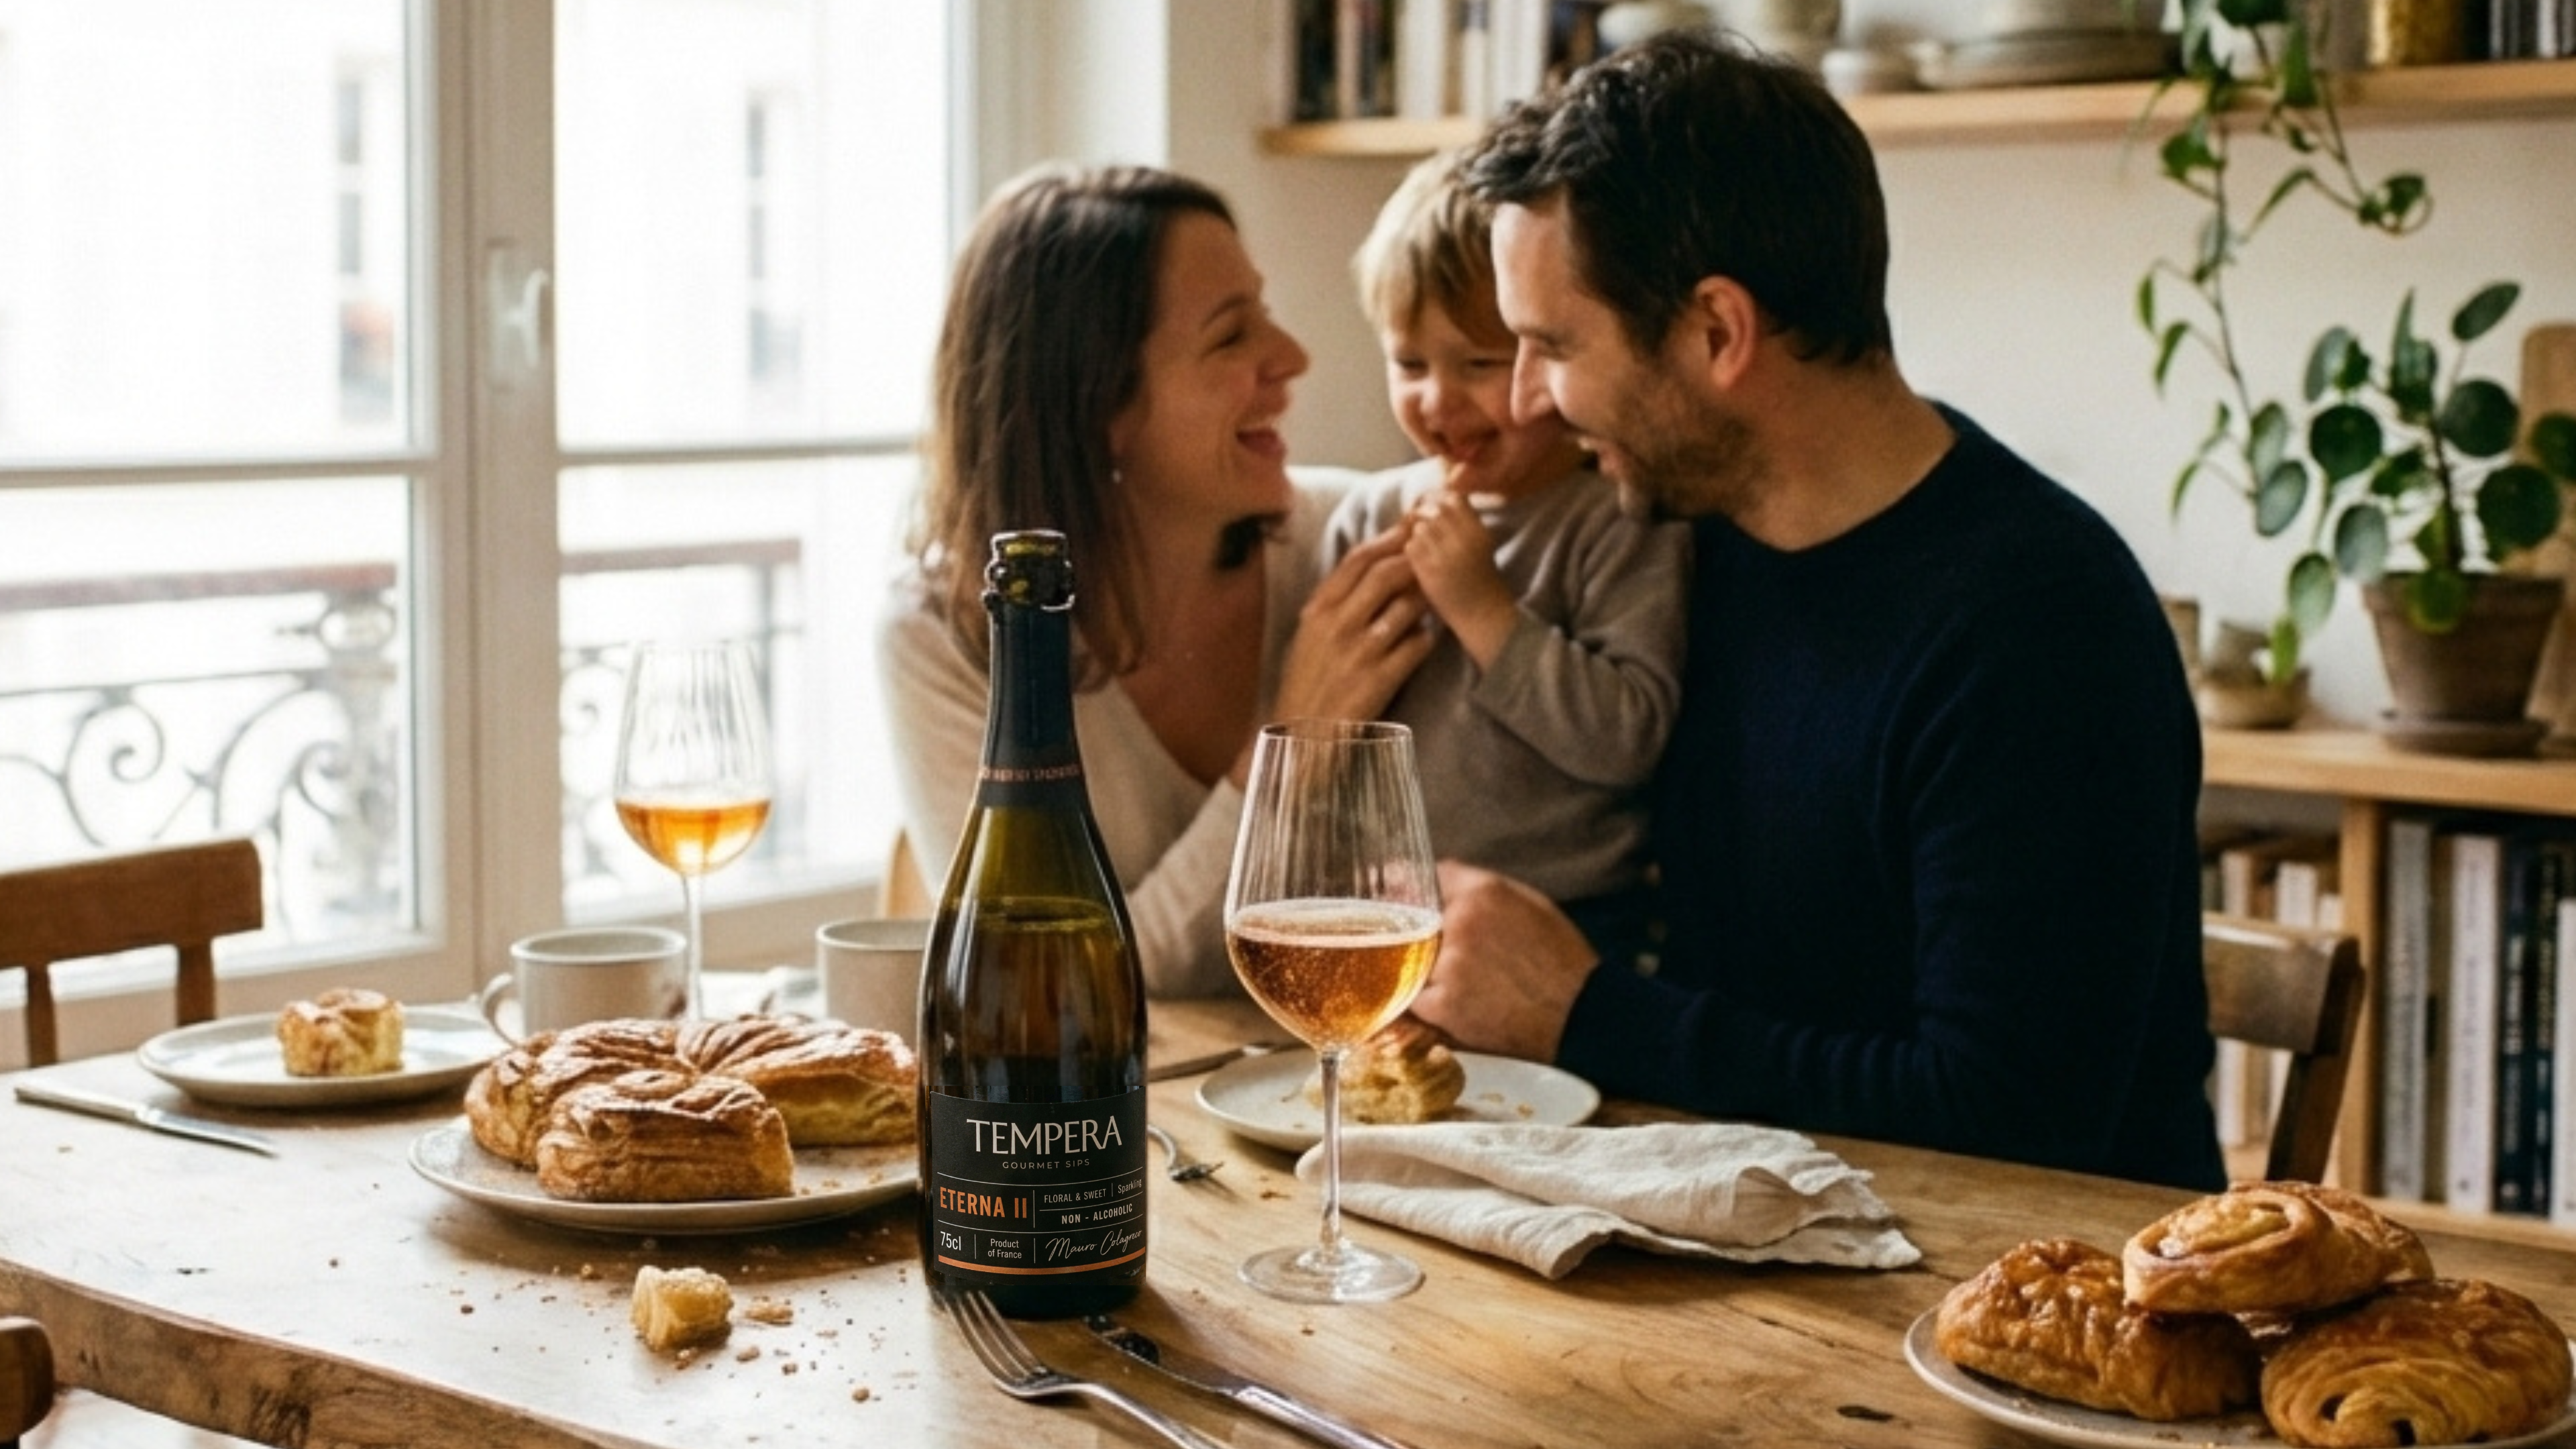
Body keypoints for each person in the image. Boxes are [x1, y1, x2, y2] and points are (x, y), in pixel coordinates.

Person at [1413, 30, 2226, 1191]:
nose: (1529, 400)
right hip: (1740, 1222)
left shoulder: (2040, 628)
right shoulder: (1686, 548)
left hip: (2019, 1277)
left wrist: (1585, 1013)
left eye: (1551, 345)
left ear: (1718, 333)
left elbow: (2010, 1124)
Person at [878, 164, 1433, 997]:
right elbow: (1059, 987)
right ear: (1099, 407)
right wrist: (1288, 749)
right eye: (1231, 336)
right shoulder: (947, 633)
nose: (1292, 358)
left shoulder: (1350, 540)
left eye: (1265, 314)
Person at [1324, 151, 1690, 961]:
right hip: (1384, 915)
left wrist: (1484, 611)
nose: (1437, 400)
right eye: (1409, 364)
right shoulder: (1369, 517)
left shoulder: (1620, 519)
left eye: (1478, 365)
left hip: (1568, 923)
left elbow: (1628, 740)